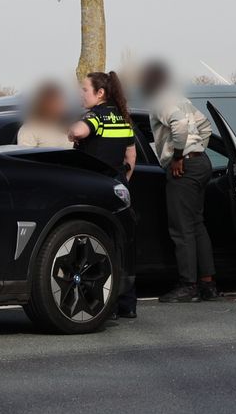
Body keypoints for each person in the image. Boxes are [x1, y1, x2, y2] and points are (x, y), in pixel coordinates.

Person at [140, 61, 217, 303]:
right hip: (202, 164)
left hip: (184, 167)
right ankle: (208, 284)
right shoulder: (180, 98)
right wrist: (197, 150)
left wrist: (179, 156)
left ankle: (188, 285)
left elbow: (179, 124)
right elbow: (205, 126)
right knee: (196, 224)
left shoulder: (160, 101)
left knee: (181, 229)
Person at [69, 71, 138, 319]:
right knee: (122, 246)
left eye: (84, 89)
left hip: (95, 190)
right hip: (118, 189)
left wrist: (70, 132)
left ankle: (103, 306)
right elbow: (131, 157)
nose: (81, 93)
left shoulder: (96, 116)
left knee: (97, 248)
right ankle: (127, 305)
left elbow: (79, 131)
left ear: (100, 93)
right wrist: (122, 183)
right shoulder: (122, 119)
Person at [17, 82, 73, 148]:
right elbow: (25, 156)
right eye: (58, 102)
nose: (64, 105)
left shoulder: (68, 125)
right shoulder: (29, 130)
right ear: (45, 104)